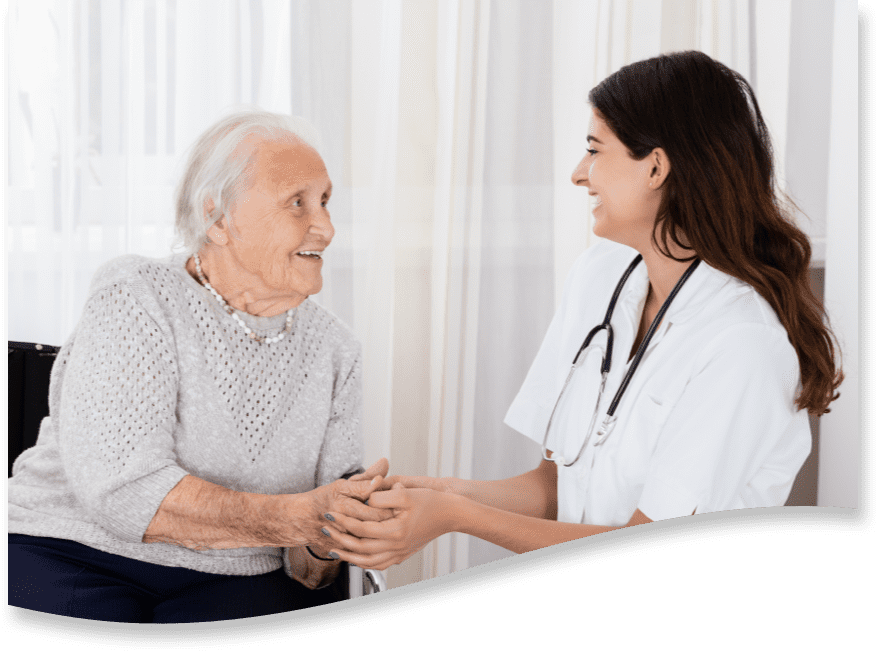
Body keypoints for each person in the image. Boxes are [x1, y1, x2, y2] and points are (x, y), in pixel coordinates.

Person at [319, 50, 845, 569]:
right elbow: (553, 490)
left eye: (595, 150)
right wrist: (426, 492)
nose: (578, 174)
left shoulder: (741, 344)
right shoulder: (600, 277)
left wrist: (453, 515)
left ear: (656, 167)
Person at [6, 108, 391, 622]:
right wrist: (296, 516)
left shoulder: (337, 350)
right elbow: (122, 492)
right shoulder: (136, 296)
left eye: (324, 201)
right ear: (218, 217)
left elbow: (311, 568)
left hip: (239, 576)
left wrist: (340, 531)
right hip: (73, 549)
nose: (325, 226)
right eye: (297, 203)